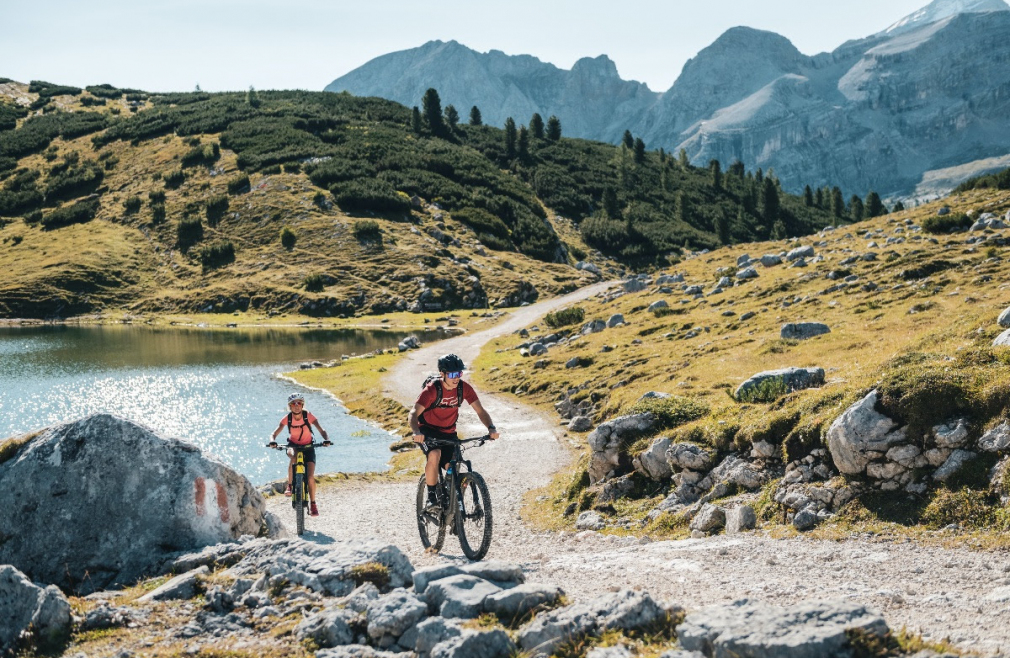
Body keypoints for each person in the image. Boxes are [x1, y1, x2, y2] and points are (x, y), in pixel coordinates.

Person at [408, 353, 499, 510]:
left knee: (453, 465)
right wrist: (416, 431)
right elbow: (413, 413)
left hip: (449, 432)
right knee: (434, 454)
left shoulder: (464, 388)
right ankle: (431, 498)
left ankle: (454, 509)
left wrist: (491, 428)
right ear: (442, 374)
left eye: (459, 373)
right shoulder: (432, 390)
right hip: (427, 431)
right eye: (452, 374)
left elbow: (480, 410)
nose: (456, 378)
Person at [269, 393, 331, 516]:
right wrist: (272, 441)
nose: (296, 406)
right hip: (294, 446)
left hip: (308, 447)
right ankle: (290, 486)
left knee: (310, 477)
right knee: (293, 456)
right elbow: (274, 434)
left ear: (302, 405)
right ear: (290, 406)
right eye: (293, 404)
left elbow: (321, 430)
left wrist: (326, 439)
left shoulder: (308, 416)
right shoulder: (287, 418)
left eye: (299, 403)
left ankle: (313, 504)